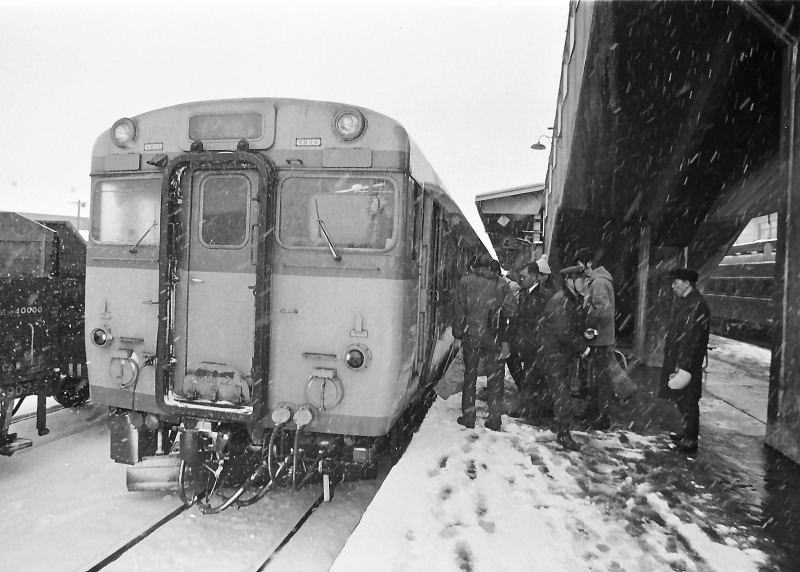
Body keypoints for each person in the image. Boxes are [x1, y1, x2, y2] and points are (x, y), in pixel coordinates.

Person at [452, 254, 518, 431]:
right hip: (493, 336)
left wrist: (458, 335)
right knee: (496, 379)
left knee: (470, 376)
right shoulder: (501, 284)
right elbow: (512, 310)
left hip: (471, 335)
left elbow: (458, 311)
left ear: (474, 266)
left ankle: (468, 417)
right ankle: (494, 419)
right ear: (490, 267)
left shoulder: (465, 282)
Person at [658, 267, 710, 452]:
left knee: (689, 400)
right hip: (680, 359)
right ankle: (687, 433)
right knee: (681, 398)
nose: (673, 286)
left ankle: (690, 439)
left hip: (687, 363)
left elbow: (692, 338)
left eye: (676, 282)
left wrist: (684, 365)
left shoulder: (696, 305)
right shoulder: (686, 301)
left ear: (687, 283)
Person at [539, 265, 591, 450]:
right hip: (555, 355)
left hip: (560, 354)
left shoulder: (571, 299)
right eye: (581, 280)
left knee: (562, 394)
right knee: (563, 396)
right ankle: (563, 434)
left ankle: (562, 429)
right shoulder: (561, 301)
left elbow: (571, 327)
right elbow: (564, 331)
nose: (584, 283)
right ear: (570, 280)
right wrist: (583, 348)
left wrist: (585, 334)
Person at [573, 247, 616, 430]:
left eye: (580, 263)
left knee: (601, 380)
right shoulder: (596, 281)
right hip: (599, 338)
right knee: (595, 378)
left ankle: (602, 416)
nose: (579, 267)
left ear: (589, 263)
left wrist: (586, 316)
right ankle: (593, 410)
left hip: (600, 340)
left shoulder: (598, 283)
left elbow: (602, 311)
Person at [507, 256, 554, 419]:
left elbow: (543, 321)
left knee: (535, 378)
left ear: (534, 276)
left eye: (524, 277)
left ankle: (536, 409)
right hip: (526, 343)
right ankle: (532, 407)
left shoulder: (545, 296)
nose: (521, 279)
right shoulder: (525, 293)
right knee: (529, 377)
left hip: (537, 344)